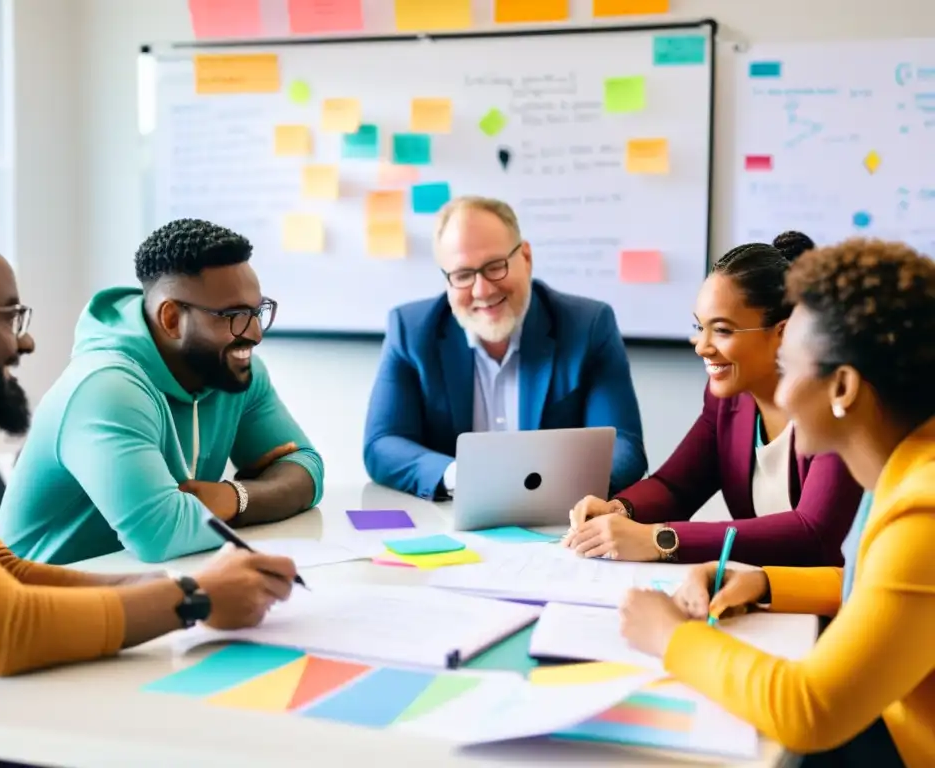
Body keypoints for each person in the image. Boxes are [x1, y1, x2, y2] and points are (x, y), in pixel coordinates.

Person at [0, 233, 297, 678]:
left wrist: (179, 588)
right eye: (9, 319)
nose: (27, 343)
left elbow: (7, 571)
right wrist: (194, 599)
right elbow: (6, 632)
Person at [619, 238, 935, 767]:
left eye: (789, 366)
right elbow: (879, 590)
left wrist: (671, 637)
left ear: (842, 387)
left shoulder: (922, 512)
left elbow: (810, 709)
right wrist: (765, 581)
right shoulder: (907, 469)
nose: (779, 395)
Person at [0, 219, 324, 564]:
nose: (255, 333)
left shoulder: (236, 373)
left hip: (152, 589)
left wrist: (233, 498)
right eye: (236, 315)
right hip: (44, 605)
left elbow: (306, 468)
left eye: (257, 311)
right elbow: (163, 534)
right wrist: (263, 498)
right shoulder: (106, 388)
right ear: (170, 319)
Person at [563, 232, 861, 565]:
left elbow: (813, 533)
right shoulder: (729, 400)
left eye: (721, 330)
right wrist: (619, 509)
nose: (702, 346)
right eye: (699, 327)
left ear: (783, 332)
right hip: (759, 593)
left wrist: (659, 539)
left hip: (834, 604)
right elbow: (677, 486)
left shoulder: (835, 406)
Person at [363, 196, 647, 500]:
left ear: (525, 258)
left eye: (495, 266)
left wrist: (545, 486)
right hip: (448, 521)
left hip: (558, 523)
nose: (482, 290)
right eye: (462, 275)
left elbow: (625, 447)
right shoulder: (411, 330)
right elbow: (383, 443)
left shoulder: (588, 326)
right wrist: (461, 477)